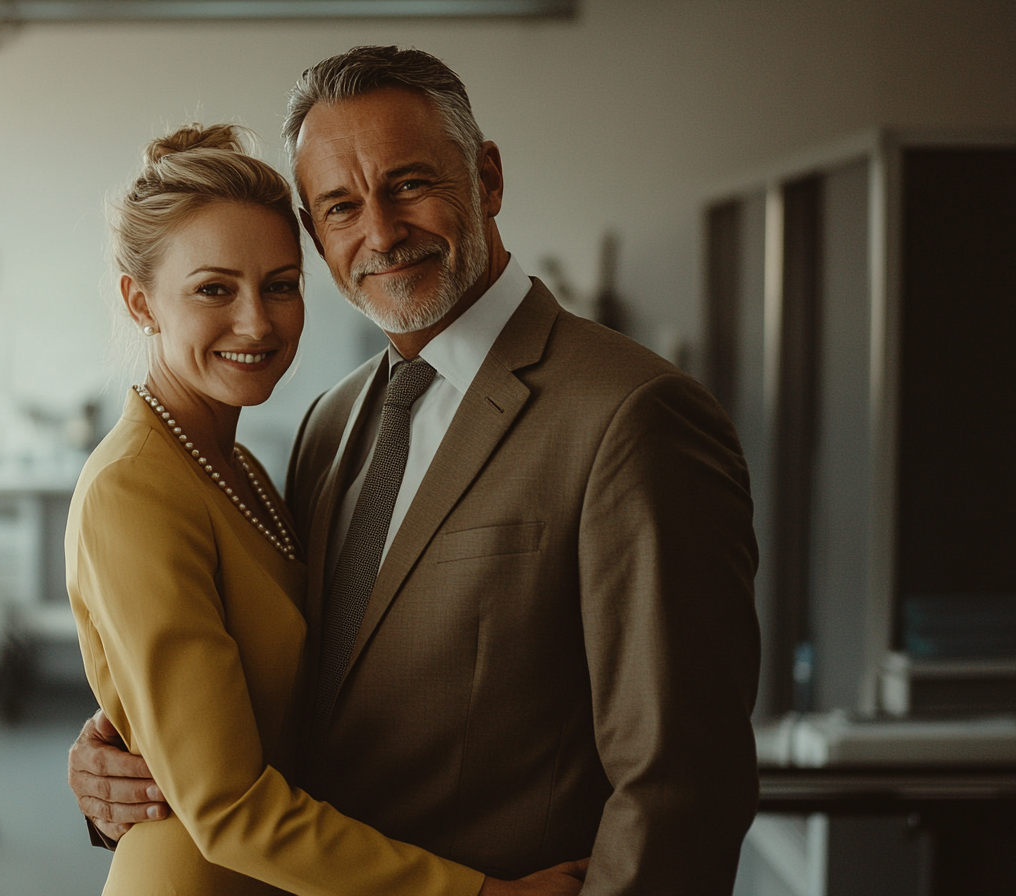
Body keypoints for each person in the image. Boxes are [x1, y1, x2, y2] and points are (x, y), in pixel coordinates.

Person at [70, 46, 761, 895]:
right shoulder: (331, 423)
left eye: (408, 185)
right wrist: (128, 755)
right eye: (339, 205)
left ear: (488, 178)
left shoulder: (631, 413)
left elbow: (681, 778)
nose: (382, 233)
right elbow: (291, 703)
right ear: (318, 234)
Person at [67, 122, 588, 895]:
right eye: (215, 289)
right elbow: (229, 802)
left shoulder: (237, 463)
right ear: (139, 301)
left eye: (280, 285)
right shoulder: (133, 488)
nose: (257, 322)